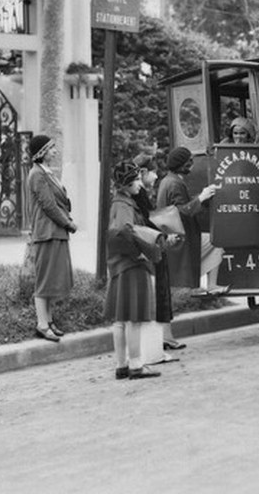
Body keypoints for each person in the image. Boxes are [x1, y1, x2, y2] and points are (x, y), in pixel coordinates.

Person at [106, 160, 181, 379]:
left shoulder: (119, 202)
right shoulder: (125, 205)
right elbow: (123, 230)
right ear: (127, 183)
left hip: (119, 265)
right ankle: (136, 365)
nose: (140, 184)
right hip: (132, 266)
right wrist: (138, 252)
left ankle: (122, 365)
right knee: (133, 318)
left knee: (120, 319)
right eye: (137, 179)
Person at [155, 147, 226, 297]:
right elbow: (183, 211)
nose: (192, 165)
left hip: (173, 238)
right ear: (182, 164)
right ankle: (212, 285)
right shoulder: (175, 184)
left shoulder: (167, 181)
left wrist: (203, 197)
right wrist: (201, 197)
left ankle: (209, 285)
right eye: (189, 162)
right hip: (182, 240)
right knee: (216, 242)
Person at [25, 134, 76, 342]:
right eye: (51, 148)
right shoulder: (37, 174)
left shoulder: (47, 173)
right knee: (45, 280)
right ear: (42, 153)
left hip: (55, 232)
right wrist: (68, 223)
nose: (55, 151)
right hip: (47, 232)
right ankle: (42, 323)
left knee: (52, 279)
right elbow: (48, 205)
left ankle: (49, 320)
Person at [133, 152, 186, 352]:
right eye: (153, 172)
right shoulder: (139, 195)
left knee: (161, 291)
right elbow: (146, 222)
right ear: (144, 172)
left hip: (153, 245)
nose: (156, 177)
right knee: (160, 292)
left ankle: (166, 336)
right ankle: (164, 337)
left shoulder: (140, 193)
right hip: (152, 246)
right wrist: (163, 238)